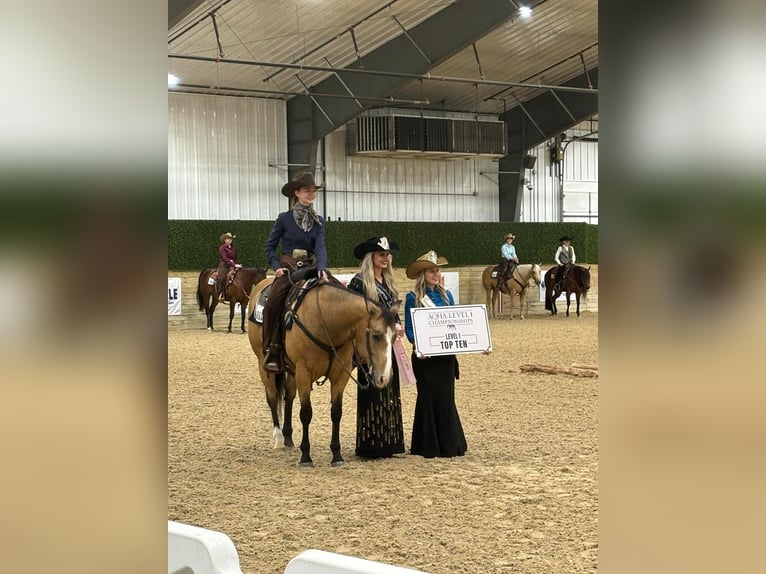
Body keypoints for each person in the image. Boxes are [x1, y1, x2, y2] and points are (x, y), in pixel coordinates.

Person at [262, 172, 329, 373]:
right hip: (289, 268)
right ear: (297, 193)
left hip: (312, 266)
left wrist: (323, 269)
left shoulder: (319, 221)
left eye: (313, 191)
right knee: (273, 303)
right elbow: (269, 247)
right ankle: (272, 348)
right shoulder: (284, 219)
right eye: (307, 190)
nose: (312, 194)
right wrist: (276, 267)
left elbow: (321, 247)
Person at [403, 250, 467, 459]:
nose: (436, 274)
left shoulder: (447, 296)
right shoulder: (413, 298)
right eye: (432, 271)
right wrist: (418, 345)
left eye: (437, 270)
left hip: (446, 357)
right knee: (427, 398)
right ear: (423, 274)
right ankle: (427, 445)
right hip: (425, 359)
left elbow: (456, 325)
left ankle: (449, 444)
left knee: (446, 398)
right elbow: (410, 328)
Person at [347, 236, 405, 459]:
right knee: (371, 393)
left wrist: (397, 325)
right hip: (369, 347)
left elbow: (393, 313)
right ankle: (370, 443)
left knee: (391, 390)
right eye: (381, 254)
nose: (386, 258)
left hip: (388, 343)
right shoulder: (359, 283)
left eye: (387, 255)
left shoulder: (388, 283)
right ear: (371, 257)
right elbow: (354, 316)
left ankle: (390, 442)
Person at [216, 232, 242, 303]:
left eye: (231, 239)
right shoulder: (222, 248)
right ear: (225, 240)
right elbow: (225, 258)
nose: (230, 240)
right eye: (228, 238)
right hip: (224, 265)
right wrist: (234, 264)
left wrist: (237, 264)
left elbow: (236, 257)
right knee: (222, 277)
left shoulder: (234, 248)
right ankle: (220, 293)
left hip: (233, 265)